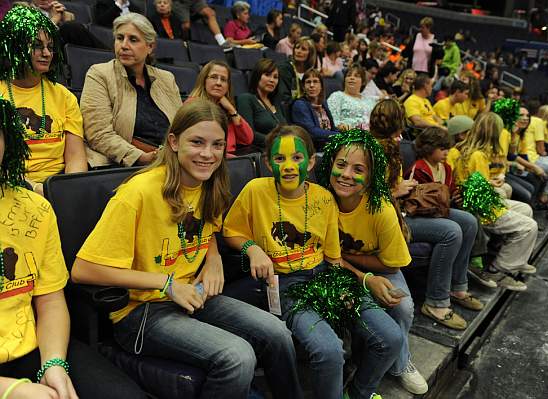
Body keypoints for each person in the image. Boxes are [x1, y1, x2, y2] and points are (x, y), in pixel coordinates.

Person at [71, 99, 303, 399]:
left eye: (217, 144)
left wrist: (214, 259)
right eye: (197, 142)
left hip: (193, 294)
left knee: (278, 334)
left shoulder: (210, 184)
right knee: (237, 356)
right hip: (141, 311)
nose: (208, 154)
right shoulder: (137, 193)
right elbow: (83, 270)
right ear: (174, 141)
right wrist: (166, 283)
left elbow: (206, 232)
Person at [223, 125, 398, 399]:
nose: (289, 166)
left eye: (297, 158)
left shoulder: (324, 198)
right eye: (280, 159)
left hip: (325, 274)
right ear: (268, 162)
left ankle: (358, 393)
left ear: (312, 161)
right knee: (328, 351)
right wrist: (252, 248)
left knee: (391, 338)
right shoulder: (256, 190)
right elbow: (231, 231)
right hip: (285, 284)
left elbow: (333, 258)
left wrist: (352, 283)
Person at [0, 96, 146, 399]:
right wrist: (10, 390)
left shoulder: (35, 208)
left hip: (33, 346)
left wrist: (53, 364)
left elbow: (50, 300)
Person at [317, 129, 429, 396]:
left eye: (358, 169)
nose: (346, 174)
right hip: (336, 267)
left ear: (370, 177)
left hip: (379, 264)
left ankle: (400, 364)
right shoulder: (320, 200)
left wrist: (352, 262)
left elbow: (392, 264)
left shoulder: (380, 208)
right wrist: (362, 277)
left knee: (401, 306)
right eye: (341, 165)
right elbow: (324, 258)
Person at [0, 5, 87, 196]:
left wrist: (71, 190)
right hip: (10, 186)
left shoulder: (63, 95)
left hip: (57, 186)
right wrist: (34, 189)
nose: (47, 53)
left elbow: (75, 157)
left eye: (50, 47)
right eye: (37, 46)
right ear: (15, 47)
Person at [81, 13, 182, 169]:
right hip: (127, 165)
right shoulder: (99, 74)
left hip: (172, 159)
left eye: (133, 40)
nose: (124, 45)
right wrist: (141, 157)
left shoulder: (166, 79)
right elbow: (98, 134)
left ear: (150, 47)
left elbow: (182, 125)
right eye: (120, 38)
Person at [405, 127, 482, 329]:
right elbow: (414, 202)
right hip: (414, 215)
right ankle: (435, 302)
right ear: (429, 148)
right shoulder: (418, 168)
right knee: (452, 230)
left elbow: (449, 193)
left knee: (469, 221)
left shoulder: (446, 167)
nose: (447, 151)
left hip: (436, 212)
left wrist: (455, 195)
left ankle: (458, 287)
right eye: (442, 148)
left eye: (447, 147)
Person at [454, 112, 538, 291]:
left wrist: (492, 186)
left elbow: (477, 184)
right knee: (529, 226)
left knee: (525, 210)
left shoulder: (476, 152)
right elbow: (478, 194)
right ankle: (498, 270)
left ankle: (511, 257)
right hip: (478, 207)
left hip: (480, 201)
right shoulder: (478, 155)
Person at [187, 60, 253, 155]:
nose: (219, 83)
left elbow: (247, 139)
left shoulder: (226, 108)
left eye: (223, 79)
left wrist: (231, 109)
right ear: (204, 80)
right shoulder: (192, 105)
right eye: (214, 77)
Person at [237, 58, 286, 147]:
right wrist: (278, 142)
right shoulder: (246, 99)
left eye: (275, 77)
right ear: (257, 76)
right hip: (261, 152)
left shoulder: (276, 102)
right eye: (267, 75)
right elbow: (250, 134)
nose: (272, 80)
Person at [291, 68, 337, 148]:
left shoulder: (323, 104)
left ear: (321, 86)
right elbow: (312, 132)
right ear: (303, 87)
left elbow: (332, 129)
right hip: (313, 150)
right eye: (308, 82)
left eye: (315, 81)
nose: (312, 85)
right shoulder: (300, 105)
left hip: (329, 147)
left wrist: (346, 133)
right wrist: (340, 135)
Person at [327, 64, 378, 130]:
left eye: (356, 76)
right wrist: (343, 127)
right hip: (348, 135)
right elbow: (332, 121)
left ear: (362, 82)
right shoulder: (337, 96)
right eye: (348, 75)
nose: (352, 78)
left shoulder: (369, 100)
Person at [276, 36, 317, 106]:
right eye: (297, 48)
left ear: (310, 54)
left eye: (303, 49)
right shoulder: (284, 69)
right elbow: (284, 97)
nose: (299, 51)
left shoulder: (311, 73)